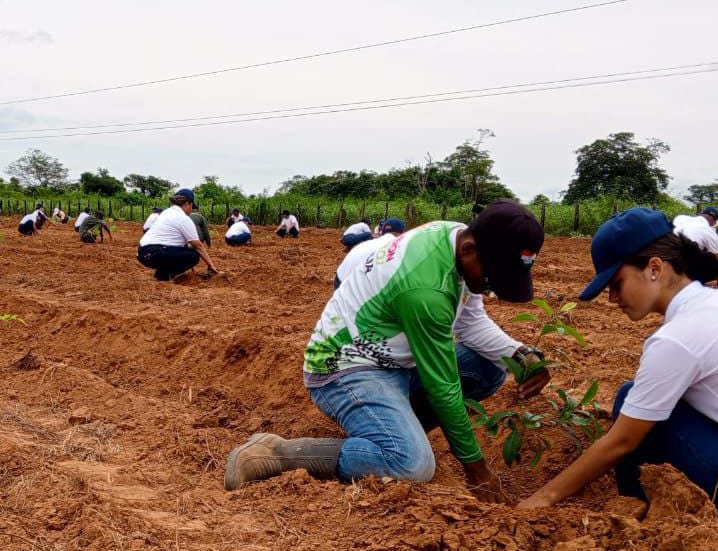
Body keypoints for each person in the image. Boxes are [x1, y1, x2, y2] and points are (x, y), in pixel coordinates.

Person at [519, 207, 718, 549]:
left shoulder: (679, 337)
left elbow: (621, 442)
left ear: (654, 268)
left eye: (616, 284)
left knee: (635, 407)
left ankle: (651, 523)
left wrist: (543, 499)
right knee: (637, 397)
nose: (612, 298)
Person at [223, 200, 548, 501]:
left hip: (392, 362)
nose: (489, 289)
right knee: (411, 464)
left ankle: (392, 430)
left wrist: (520, 355)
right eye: (490, 279)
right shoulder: (426, 290)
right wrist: (477, 469)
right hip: (344, 367)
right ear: (469, 249)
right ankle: (279, 452)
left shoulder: (455, 237)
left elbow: (471, 321)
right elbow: (443, 387)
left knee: (491, 367)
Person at [137, 188, 219, 282]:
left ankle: (161, 276)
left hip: (142, 253)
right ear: (187, 203)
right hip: (157, 253)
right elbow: (198, 246)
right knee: (193, 255)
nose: (191, 210)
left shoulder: (166, 212)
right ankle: (165, 276)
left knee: (183, 251)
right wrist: (211, 265)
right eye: (192, 206)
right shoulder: (183, 218)